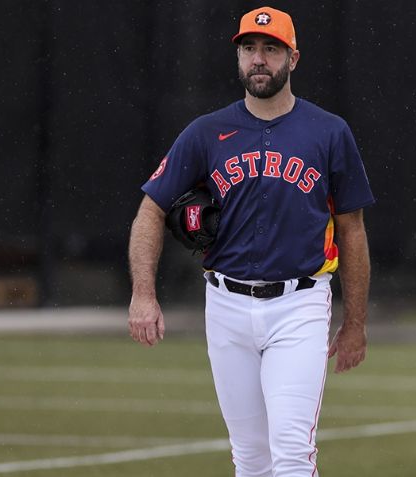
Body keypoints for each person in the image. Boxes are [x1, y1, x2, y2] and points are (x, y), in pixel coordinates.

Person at [127, 6, 375, 476]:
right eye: (249, 48)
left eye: (270, 49)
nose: (258, 59)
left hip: (298, 305)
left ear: (293, 58)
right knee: (251, 459)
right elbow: (150, 209)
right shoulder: (206, 132)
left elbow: (352, 230)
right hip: (225, 306)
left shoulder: (328, 132)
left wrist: (356, 321)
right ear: (239, 58)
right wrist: (143, 293)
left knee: (291, 451)